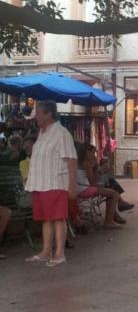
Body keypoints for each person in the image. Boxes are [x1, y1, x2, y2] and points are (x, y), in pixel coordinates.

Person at [24, 100, 78, 265]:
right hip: (41, 183)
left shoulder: (62, 133)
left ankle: (59, 253)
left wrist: (72, 186)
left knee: (58, 218)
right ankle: (46, 251)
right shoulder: (42, 132)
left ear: (48, 114)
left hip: (55, 182)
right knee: (46, 219)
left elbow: (71, 160)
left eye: (39, 113)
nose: (36, 117)